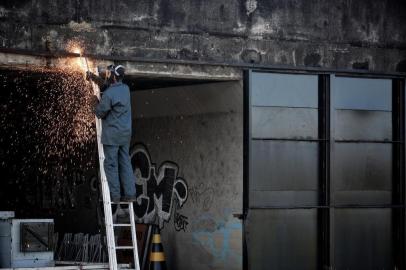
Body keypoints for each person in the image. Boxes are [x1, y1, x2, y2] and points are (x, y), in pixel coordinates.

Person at [87, 65, 136, 203]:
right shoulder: (125, 89)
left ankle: (115, 195)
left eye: (110, 74)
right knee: (125, 162)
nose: (108, 75)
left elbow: (99, 112)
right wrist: (94, 78)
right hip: (125, 134)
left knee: (111, 165)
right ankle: (131, 194)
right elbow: (108, 87)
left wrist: (94, 102)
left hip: (112, 136)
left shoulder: (109, 94)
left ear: (113, 76)